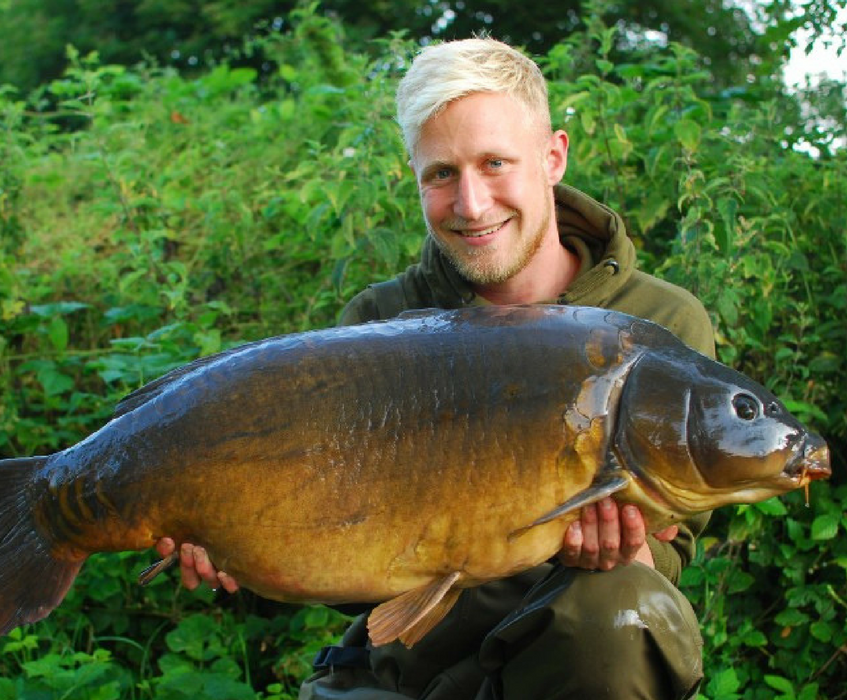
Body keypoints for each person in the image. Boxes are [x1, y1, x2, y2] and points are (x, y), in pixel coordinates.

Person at [156, 37, 715, 699]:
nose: (472, 204)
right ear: (415, 177)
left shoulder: (656, 323)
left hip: (574, 657)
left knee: (616, 607)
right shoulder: (382, 322)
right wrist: (238, 547)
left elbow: (666, 564)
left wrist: (625, 551)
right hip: (405, 667)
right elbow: (347, 551)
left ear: (553, 156)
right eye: (441, 174)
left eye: (495, 163)